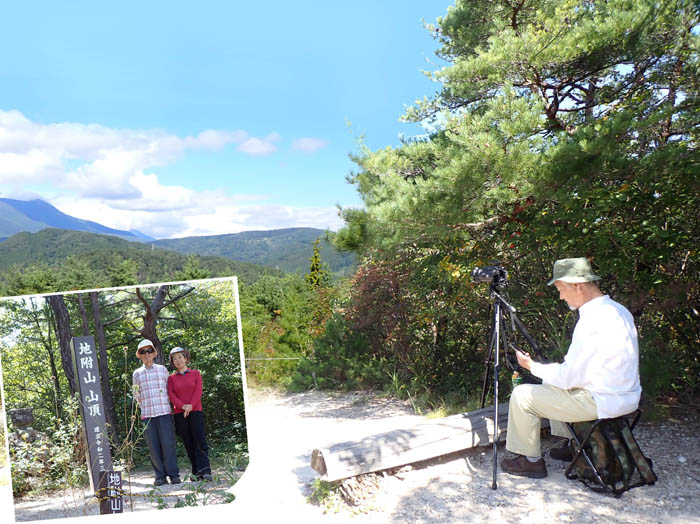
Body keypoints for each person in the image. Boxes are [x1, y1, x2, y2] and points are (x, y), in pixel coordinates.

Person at [501, 257, 641, 479]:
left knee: (522, 395)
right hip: (626, 397)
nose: (560, 296)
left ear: (577, 285)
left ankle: (529, 461)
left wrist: (532, 366)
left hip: (602, 401)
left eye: (560, 288)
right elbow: (581, 371)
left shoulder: (593, 320)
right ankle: (574, 444)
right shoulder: (619, 310)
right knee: (552, 382)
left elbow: (568, 378)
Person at [132, 339, 181, 486]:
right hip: (147, 414)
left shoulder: (162, 369)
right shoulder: (137, 373)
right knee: (153, 446)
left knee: (168, 444)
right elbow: (136, 394)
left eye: (148, 351)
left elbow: (169, 389)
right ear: (139, 355)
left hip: (164, 411)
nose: (146, 354)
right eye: (142, 352)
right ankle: (160, 476)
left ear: (154, 353)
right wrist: (143, 407)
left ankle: (174, 475)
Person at [167, 346, 213, 481]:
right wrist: (182, 406)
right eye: (174, 359)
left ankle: (205, 471)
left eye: (180, 357)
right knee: (188, 442)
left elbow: (198, 391)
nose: (178, 360)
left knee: (199, 440)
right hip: (179, 414)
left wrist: (190, 406)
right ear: (172, 362)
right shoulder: (171, 378)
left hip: (195, 411)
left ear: (186, 359)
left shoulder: (195, 373)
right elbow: (171, 394)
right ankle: (196, 472)